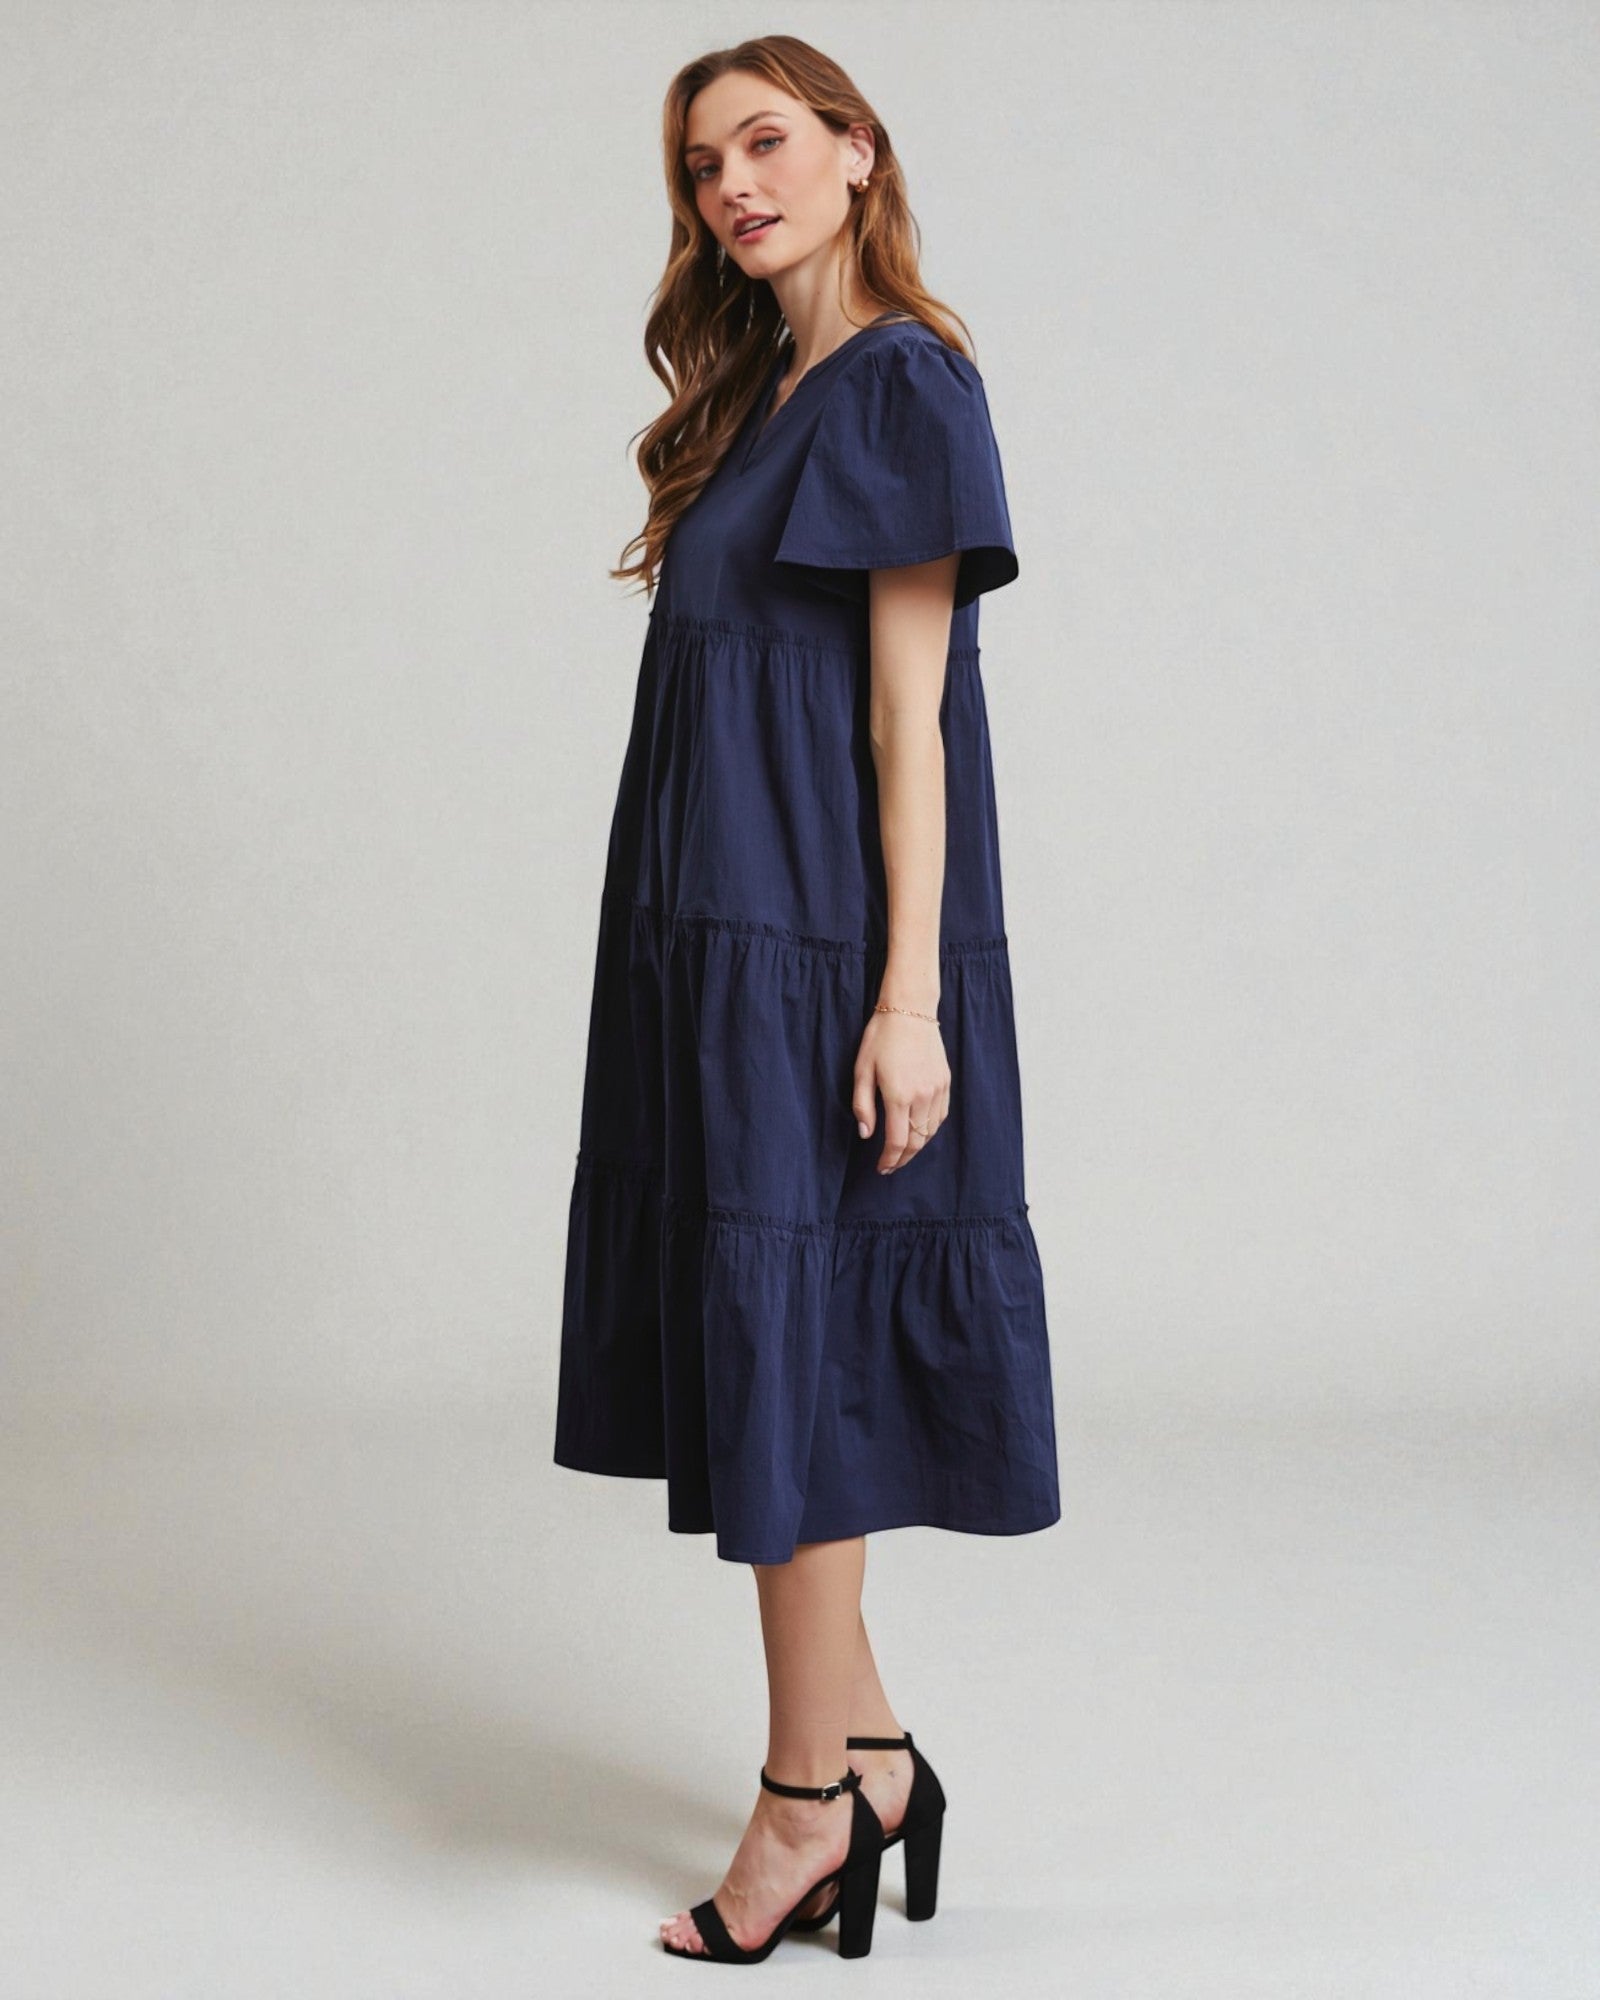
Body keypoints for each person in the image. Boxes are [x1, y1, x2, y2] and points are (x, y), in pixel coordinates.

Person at [552, 33, 1063, 1963]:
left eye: (767, 142)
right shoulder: (770, 391)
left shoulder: (908, 387)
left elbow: (906, 716)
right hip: (714, 937)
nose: (734, 186)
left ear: (858, 153)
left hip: (827, 957)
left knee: (795, 1365)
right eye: (701, 165)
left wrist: (907, 999)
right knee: (776, 1346)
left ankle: (804, 1810)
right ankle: (872, 1759)